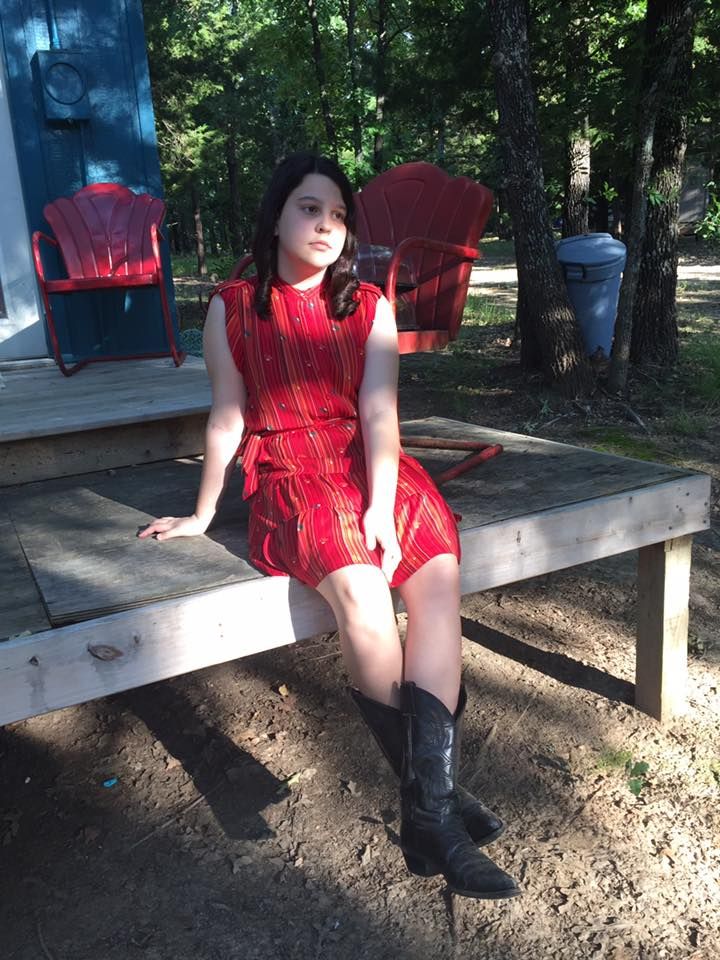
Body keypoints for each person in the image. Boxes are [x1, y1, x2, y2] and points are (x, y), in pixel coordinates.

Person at [139, 152, 519, 900]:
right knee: (364, 594)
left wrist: (381, 500)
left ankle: (429, 811)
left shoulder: (368, 304)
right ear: (277, 216)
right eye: (309, 208)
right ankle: (438, 812)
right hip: (291, 470)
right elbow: (226, 416)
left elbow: (379, 412)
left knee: (437, 576)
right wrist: (205, 511)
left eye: (339, 215)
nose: (326, 225)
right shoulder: (233, 305)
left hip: (368, 462)